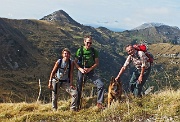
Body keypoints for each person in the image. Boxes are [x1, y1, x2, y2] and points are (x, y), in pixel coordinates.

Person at [74, 35, 105, 109]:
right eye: (87, 42)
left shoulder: (94, 51)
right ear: (84, 42)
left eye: (90, 43)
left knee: (101, 85)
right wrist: (80, 69)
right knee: (79, 87)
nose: (89, 44)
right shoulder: (80, 50)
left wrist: (90, 69)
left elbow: (97, 63)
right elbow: (74, 62)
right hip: (81, 70)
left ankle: (99, 103)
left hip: (90, 71)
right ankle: (77, 104)